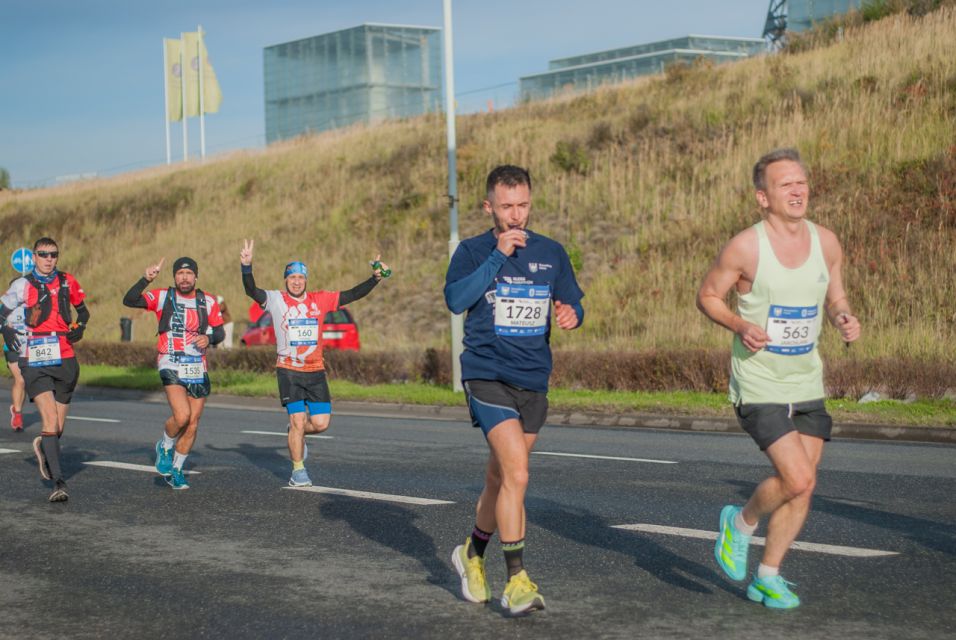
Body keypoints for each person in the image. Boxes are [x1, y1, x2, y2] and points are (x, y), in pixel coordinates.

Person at [696, 148, 861, 609]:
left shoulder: (826, 241)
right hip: (760, 382)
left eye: (801, 182)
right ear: (762, 198)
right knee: (797, 477)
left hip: (806, 379)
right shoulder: (746, 246)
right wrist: (740, 325)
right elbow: (708, 295)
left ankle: (767, 575)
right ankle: (740, 522)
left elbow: (836, 294)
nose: (797, 190)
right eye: (785, 184)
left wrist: (844, 316)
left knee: (803, 486)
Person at [444, 165, 584, 615]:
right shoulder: (472, 250)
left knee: (500, 478)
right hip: (487, 374)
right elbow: (455, 300)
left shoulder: (551, 251)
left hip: (532, 379)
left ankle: (473, 555)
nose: (516, 215)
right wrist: (496, 256)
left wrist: (571, 314)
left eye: (523, 204)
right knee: (518, 475)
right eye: (506, 207)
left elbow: (572, 299)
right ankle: (518, 580)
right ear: (489, 207)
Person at [239, 239, 388, 487]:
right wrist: (247, 266)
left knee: (320, 424)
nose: (296, 281)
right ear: (285, 280)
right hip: (288, 370)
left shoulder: (320, 300)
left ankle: (294, 434)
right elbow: (251, 290)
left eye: (300, 277)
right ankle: (298, 470)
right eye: (292, 277)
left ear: (306, 280)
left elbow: (352, 294)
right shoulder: (276, 300)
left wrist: (375, 279)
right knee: (298, 420)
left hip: (315, 370)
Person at [123, 257, 225, 490]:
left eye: (189, 274)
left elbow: (220, 333)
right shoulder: (163, 296)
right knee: (182, 416)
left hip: (197, 365)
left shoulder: (207, 301)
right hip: (171, 361)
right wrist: (145, 279)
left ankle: (177, 470)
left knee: (192, 424)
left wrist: (209, 338)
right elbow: (129, 299)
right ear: (174, 277)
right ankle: (165, 445)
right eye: (180, 273)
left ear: (196, 277)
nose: (185, 278)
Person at [0, 237, 90, 502]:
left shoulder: (68, 281)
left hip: (65, 356)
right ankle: (58, 483)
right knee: (49, 420)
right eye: (43, 254)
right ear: (34, 257)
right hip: (35, 358)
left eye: (53, 254)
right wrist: (5, 329)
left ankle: (43, 444)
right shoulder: (22, 284)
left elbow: (83, 312)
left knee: (57, 427)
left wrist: (80, 327)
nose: (49, 259)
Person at [3, 293, 26, 431]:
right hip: (12, 347)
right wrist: (5, 327)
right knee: (21, 380)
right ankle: (18, 415)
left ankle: (17, 408)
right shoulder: (5, 306)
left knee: (25, 382)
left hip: (30, 347)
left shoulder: (31, 303)